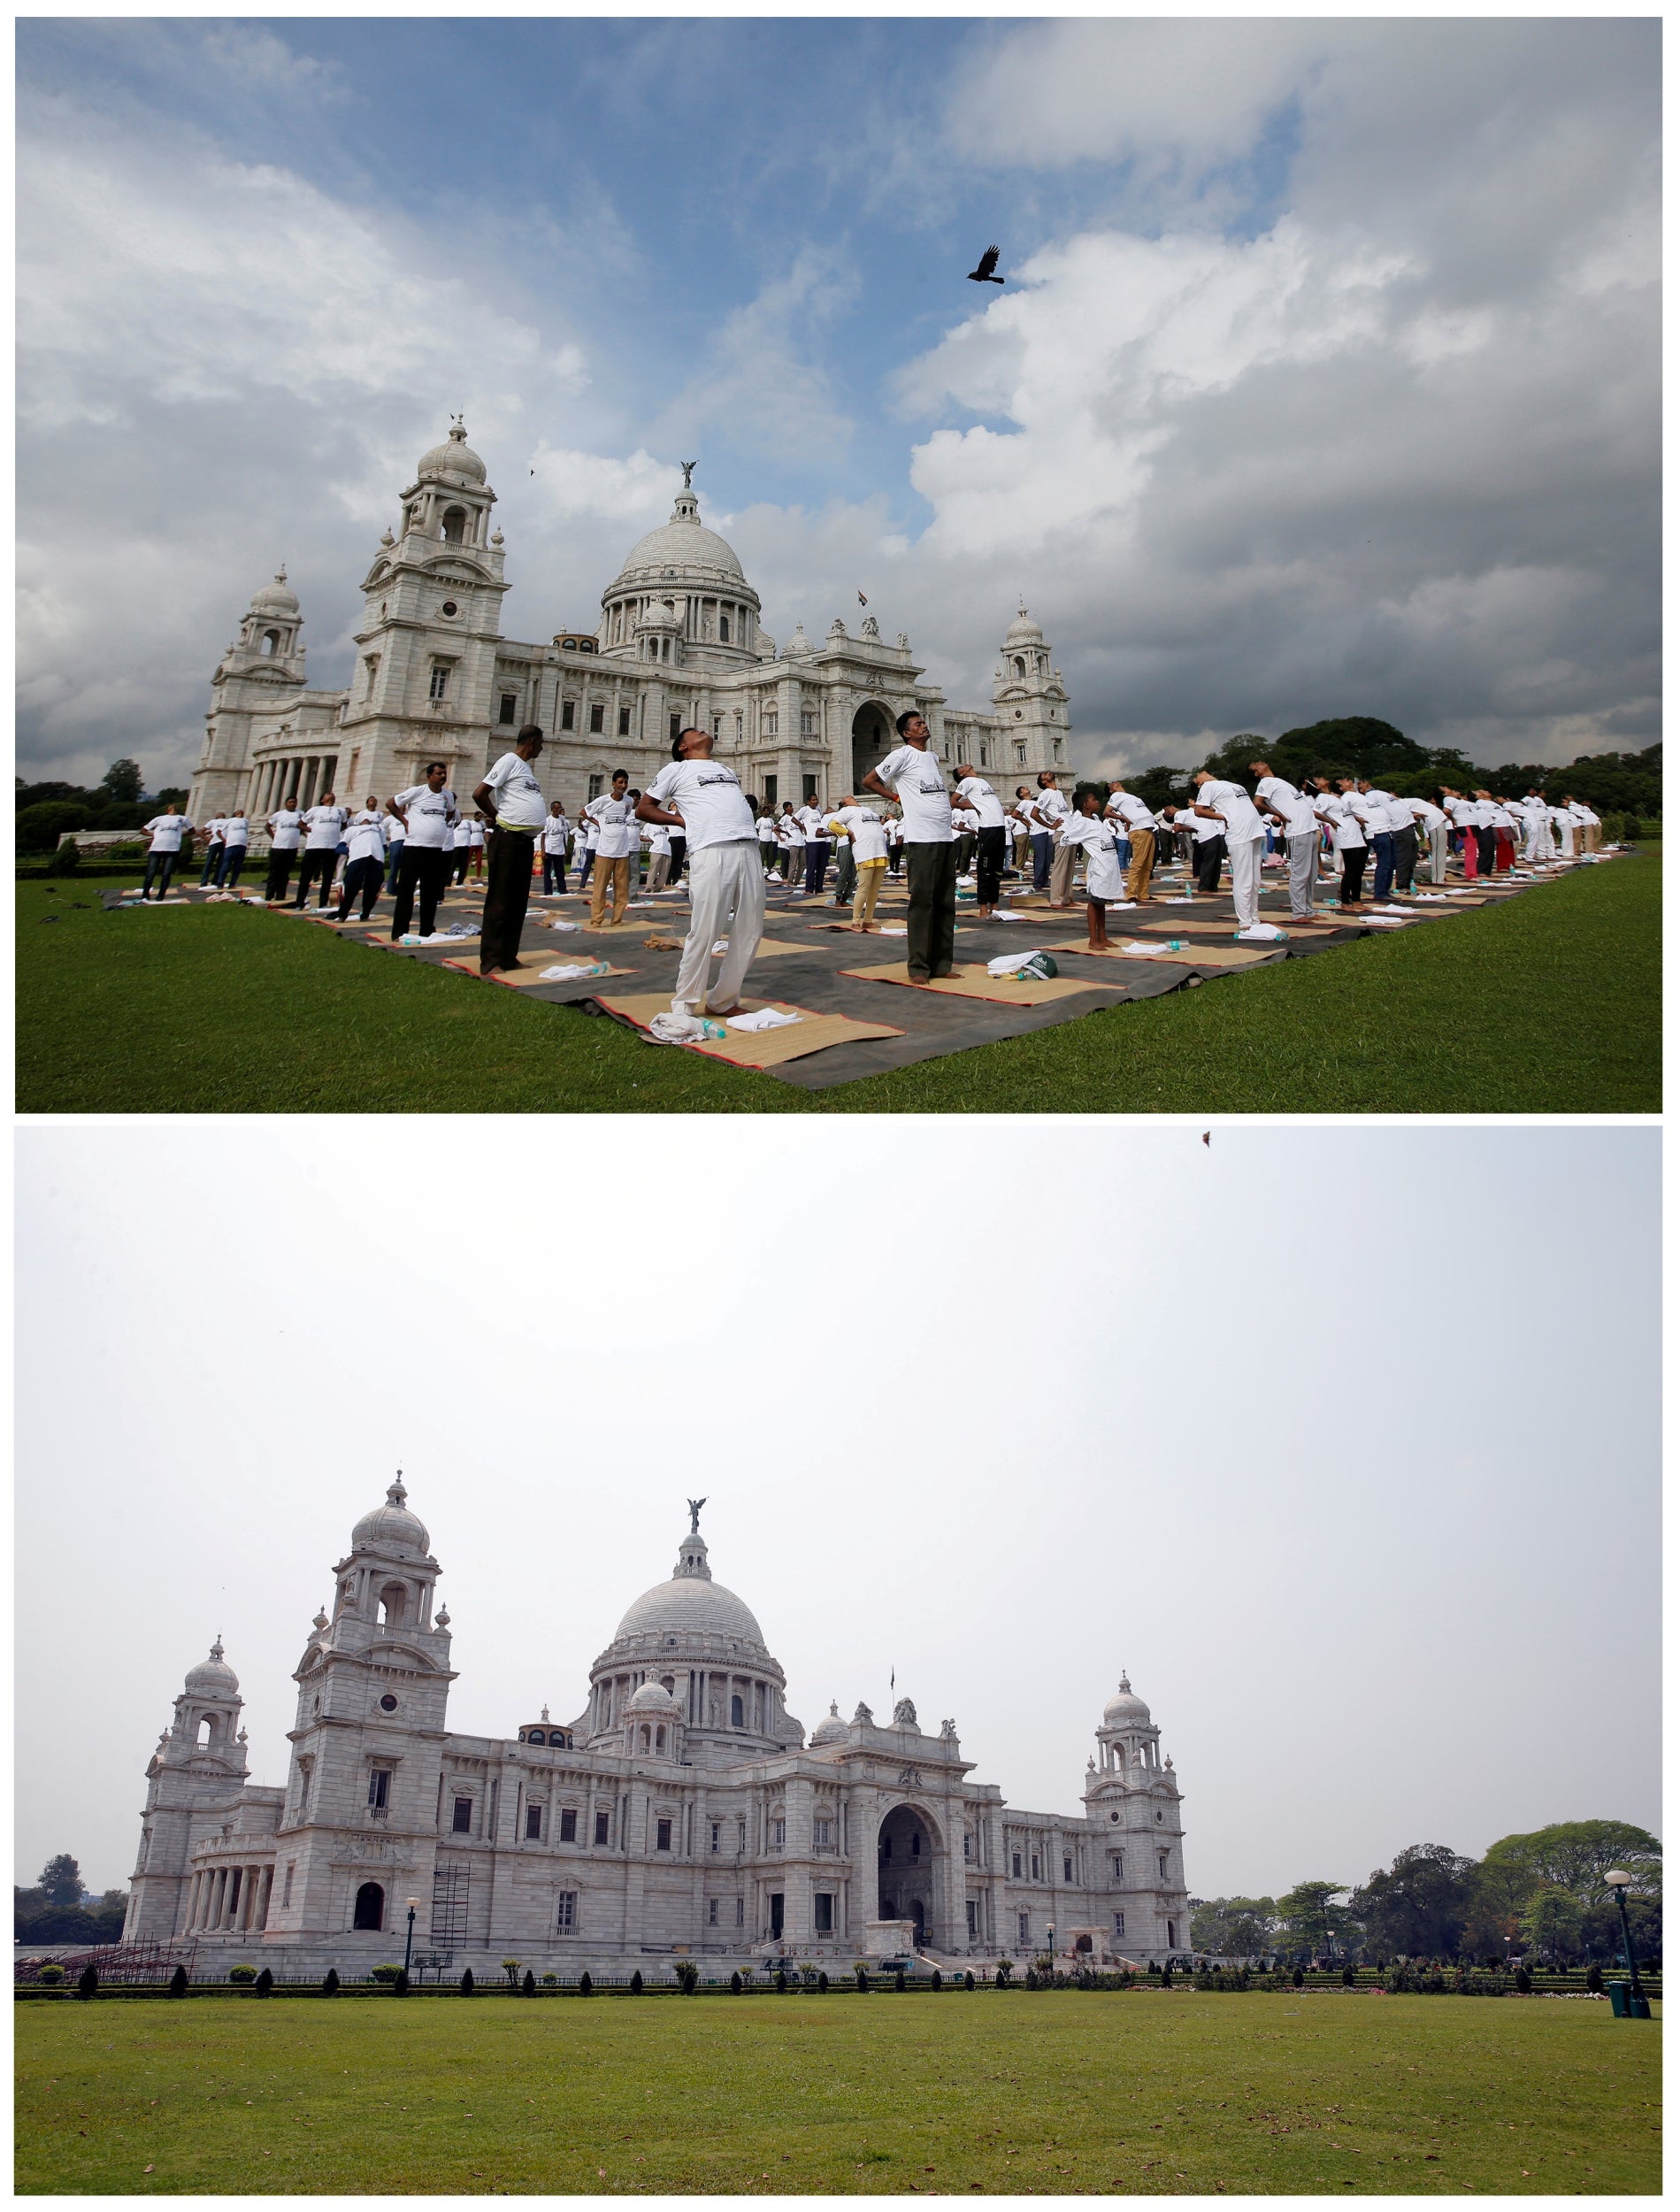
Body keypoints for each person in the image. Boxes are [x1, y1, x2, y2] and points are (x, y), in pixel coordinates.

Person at [638, 727, 765, 1017]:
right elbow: (644, 809)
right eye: (695, 731)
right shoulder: (676, 769)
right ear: (683, 746)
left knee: (751, 929)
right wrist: (679, 821)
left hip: (747, 847)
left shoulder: (725, 768)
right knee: (706, 929)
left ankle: (723, 1000)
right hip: (711, 849)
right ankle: (684, 1004)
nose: (704, 730)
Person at [863, 710, 955, 983]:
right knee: (922, 903)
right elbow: (870, 780)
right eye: (918, 724)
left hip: (945, 837)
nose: (924, 726)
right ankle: (918, 967)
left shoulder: (933, 757)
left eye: (924, 722)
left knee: (945, 902)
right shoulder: (902, 755)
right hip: (922, 839)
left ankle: (942, 964)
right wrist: (895, 796)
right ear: (907, 733)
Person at [472, 723, 548, 977]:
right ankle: (490, 960)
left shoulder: (526, 769)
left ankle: (508, 955)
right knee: (500, 902)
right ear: (531, 742)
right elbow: (480, 793)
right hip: (507, 839)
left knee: (517, 902)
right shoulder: (509, 760)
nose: (542, 747)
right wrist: (497, 815)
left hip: (523, 842)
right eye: (540, 742)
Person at [387, 761, 458, 941]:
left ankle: (427, 929)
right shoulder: (417, 791)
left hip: (435, 849)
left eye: (444, 773)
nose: (442, 776)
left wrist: (440, 824)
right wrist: (405, 822)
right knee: (406, 891)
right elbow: (391, 803)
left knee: (430, 892)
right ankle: (399, 931)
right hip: (414, 847)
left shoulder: (447, 796)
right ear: (429, 776)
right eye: (439, 773)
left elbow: (450, 812)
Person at [1192, 770, 1266, 931]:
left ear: (1202, 773)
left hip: (1254, 831)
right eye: (1197, 783)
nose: (1197, 782)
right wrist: (1225, 817)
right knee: (1244, 880)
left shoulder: (1233, 785)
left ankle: (1254, 918)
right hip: (1240, 834)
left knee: (1255, 881)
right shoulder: (1207, 786)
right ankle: (1245, 922)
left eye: (1196, 779)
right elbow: (1198, 811)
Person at [1251, 763, 1322, 923]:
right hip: (1298, 830)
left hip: (1309, 828)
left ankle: (1308, 910)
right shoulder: (1265, 782)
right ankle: (1298, 913)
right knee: (1300, 874)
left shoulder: (1280, 782)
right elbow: (1258, 802)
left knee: (1311, 874)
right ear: (1256, 772)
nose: (1261, 763)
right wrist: (1280, 815)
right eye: (1256, 765)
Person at [1062, 787, 1126, 949]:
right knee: (1095, 901)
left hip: (1109, 865)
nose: (1097, 801)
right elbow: (1066, 839)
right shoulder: (1082, 823)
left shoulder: (1096, 818)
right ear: (1086, 805)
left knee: (1102, 902)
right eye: (1094, 799)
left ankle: (1102, 936)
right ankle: (1093, 939)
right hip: (1099, 867)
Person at [955, 764, 1009, 917]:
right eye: (961, 767)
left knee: (997, 869)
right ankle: (983, 907)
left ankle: (994, 902)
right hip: (987, 829)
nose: (965, 764)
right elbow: (953, 801)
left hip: (999, 828)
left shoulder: (983, 781)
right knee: (985, 870)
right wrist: (971, 807)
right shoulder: (966, 782)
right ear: (963, 773)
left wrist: (976, 805)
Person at [829, 796, 890, 930]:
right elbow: (832, 825)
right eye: (846, 797)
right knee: (864, 887)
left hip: (880, 851)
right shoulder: (847, 810)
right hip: (865, 851)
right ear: (845, 803)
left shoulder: (869, 810)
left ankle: (868, 920)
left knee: (874, 890)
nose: (849, 796)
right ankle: (855, 921)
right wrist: (849, 833)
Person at [586, 770, 637, 926]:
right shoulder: (602, 801)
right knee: (600, 888)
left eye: (625, 783)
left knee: (621, 889)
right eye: (620, 782)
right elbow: (585, 812)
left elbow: (626, 817)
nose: (623, 786)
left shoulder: (628, 801)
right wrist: (599, 824)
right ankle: (597, 919)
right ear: (613, 783)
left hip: (622, 851)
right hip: (604, 852)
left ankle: (617, 919)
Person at [334, 799, 387, 923]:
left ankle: (365, 914)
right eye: (365, 818)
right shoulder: (352, 830)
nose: (367, 820)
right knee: (350, 887)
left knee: (373, 888)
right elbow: (339, 847)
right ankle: (343, 914)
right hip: (357, 858)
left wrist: (380, 853)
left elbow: (385, 846)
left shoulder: (379, 829)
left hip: (375, 858)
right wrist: (351, 851)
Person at [1318, 776, 1368, 907]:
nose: (1348, 780)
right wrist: (1332, 822)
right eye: (1318, 779)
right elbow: (1315, 812)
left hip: (1355, 834)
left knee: (1358, 870)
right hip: (1346, 836)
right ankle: (1345, 902)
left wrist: (1358, 819)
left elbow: (1346, 813)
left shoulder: (1336, 798)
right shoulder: (1323, 798)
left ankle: (1357, 900)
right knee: (1350, 870)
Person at [1106, 781, 1157, 905]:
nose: (1113, 782)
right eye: (1110, 785)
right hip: (1139, 830)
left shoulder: (1131, 797)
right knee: (1138, 864)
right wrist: (1123, 819)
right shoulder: (1116, 796)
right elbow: (1107, 812)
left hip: (1148, 829)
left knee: (1148, 865)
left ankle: (1143, 893)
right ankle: (1131, 893)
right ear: (1111, 790)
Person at [295, 792, 349, 909]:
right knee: (306, 876)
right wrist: (313, 830)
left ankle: (323, 903)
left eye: (332, 794)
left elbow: (344, 825)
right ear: (322, 800)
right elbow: (300, 824)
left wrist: (333, 832)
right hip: (314, 845)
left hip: (332, 846)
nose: (331, 795)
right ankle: (299, 902)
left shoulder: (341, 810)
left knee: (328, 877)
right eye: (328, 794)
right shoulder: (314, 810)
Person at [140, 803, 187, 900]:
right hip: (156, 848)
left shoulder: (182, 818)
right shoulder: (159, 818)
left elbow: (192, 830)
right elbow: (143, 830)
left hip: (172, 849)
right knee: (150, 873)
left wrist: (180, 835)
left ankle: (161, 895)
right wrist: (153, 835)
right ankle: (145, 895)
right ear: (168, 810)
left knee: (166, 874)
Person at [265, 798, 303, 902]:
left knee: (285, 874)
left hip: (292, 847)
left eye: (294, 802)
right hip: (278, 847)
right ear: (286, 803)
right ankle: (269, 895)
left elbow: (303, 826)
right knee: (273, 873)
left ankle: (280, 895)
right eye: (290, 802)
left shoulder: (301, 814)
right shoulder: (279, 814)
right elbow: (267, 826)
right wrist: (274, 837)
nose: (292, 804)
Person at [796, 796, 830, 897]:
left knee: (821, 865)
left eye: (816, 800)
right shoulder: (805, 810)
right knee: (811, 865)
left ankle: (819, 888)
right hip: (812, 841)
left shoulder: (818, 809)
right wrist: (802, 826)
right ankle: (809, 888)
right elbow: (794, 819)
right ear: (809, 801)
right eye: (813, 800)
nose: (815, 802)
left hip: (821, 840)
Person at [828, 806, 857, 908]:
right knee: (844, 873)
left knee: (854, 876)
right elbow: (832, 827)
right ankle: (838, 898)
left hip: (855, 845)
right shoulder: (839, 816)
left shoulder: (856, 816)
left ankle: (845, 898)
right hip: (844, 844)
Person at [541, 801, 570, 895]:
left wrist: (566, 848)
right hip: (550, 848)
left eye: (560, 808)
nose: (559, 810)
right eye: (557, 808)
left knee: (560, 872)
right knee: (548, 872)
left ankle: (562, 889)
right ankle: (548, 891)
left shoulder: (562, 819)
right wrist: (543, 851)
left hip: (560, 849)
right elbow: (543, 836)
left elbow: (564, 834)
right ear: (552, 809)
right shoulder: (548, 820)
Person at [218, 810, 251, 889]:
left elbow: (246, 831)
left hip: (242, 845)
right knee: (226, 866)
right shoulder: (229, 821)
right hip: (231, 845)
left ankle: (232, 884)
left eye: (242, 812)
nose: (241, 813)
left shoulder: (245, 821)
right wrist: (224, 840)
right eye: (239, 812)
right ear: (235, 814)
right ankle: (220, 883)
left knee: (238, 867)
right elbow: (218, 832)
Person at [380, 802, 405, 895]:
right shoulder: (390, 818)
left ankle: (402, 888)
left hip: (408, 843)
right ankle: (391, 888)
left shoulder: (409, 817)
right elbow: (381, 829)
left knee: (405, 868)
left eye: (404, 806)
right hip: (395, 842)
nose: (403, 808)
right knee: (394, 867)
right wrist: (387, 838)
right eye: (401, 806)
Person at [198, 814, 228, 888]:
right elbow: (200, 831)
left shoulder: (226, 821)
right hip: (219, 843)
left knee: (212, 863)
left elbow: (200, 831)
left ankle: (212, 882)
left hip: (218, 843)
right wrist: (206, 838)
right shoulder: (214, 822)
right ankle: (206, 882)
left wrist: (206, 838)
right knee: (214, 863)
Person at [577, 806, 600, 891]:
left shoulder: (603, 817)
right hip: (591, 845)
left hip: (600, 845)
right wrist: (587, 833)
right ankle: (582, 884)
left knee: (599, 866)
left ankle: (599, 885)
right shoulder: (592, 817)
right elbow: (581, 825)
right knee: (588, 865)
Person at [756, 802, 779, 879]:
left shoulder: (770, 820)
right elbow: (756, 829)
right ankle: (761, 869)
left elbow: (773, 828)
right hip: (763, 840)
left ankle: (769, 868)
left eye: (768, 811)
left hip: (770, 840)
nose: (767, 812)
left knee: (770, 856)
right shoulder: (760, 820)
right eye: (766, 811)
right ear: (763, 812)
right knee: (762, 855)